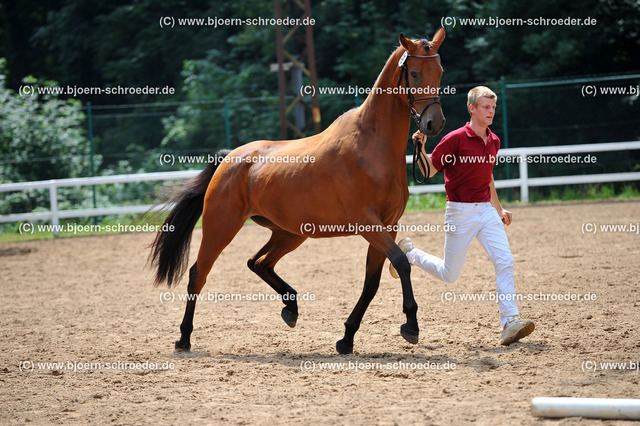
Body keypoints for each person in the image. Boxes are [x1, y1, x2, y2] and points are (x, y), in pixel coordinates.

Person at [391, 86, 534, 345]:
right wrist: (421, 149)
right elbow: (430, 170)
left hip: (486, 211)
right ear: (472, 109)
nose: (491, 111)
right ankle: (409, 254)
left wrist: (499, 208)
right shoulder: (455, 139)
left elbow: (486, 175)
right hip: (459, 212)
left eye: (493, 107)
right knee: (449, 274)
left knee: (505, 261)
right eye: (486, 107)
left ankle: (509, 322)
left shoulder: (494, 141)